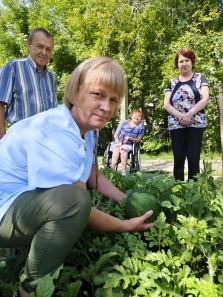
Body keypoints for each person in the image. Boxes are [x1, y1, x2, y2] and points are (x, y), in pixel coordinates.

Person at [0, 57, 155, 297]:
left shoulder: (86, 128)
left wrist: (129, 200)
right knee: (75, 200)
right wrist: (126, 226)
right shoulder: (55, 131)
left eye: (113, 100)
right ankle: (28, 290)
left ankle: (27, 248)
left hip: (18, 203)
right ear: (75, 91)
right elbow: (76, 203)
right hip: (3, 210)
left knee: (74, 197)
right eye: (98, 95)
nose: (107, 107)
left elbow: (94, 175)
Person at [0, 28, 57, 139]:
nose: (44, 53)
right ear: (29, 45)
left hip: (46, 141)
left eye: (48, 49)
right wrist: (2, 138)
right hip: (19, 139)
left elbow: (54, 113)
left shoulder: (51, 77)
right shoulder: (14, 67)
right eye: (40, 47)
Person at [164, 48, 209, 181]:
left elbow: (205, 98)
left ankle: (193, 189)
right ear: (177, 64)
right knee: (178, 158)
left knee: (193, 157)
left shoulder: (200, 78)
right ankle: (177, 188)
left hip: (196, 123)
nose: (184, 64)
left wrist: (189, 114)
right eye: (181, 61)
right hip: (176, 125)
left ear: (192, 62)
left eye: (187, 60)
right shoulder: (172, 82)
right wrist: (180, 116)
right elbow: (166, 104)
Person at [110, 110, 144, 175]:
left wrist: (130, 138)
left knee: (123, 149)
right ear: (132, 116)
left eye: (139, 116)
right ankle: (112, 170)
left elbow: (138, 139)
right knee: (116, 149)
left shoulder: (140, 126)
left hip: (129, 144)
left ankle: (124, 172)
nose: (136, 117)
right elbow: (116, 134)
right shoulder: (124, 122)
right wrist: (118, 142)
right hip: (118, 142)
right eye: (135, 115)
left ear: (141, 119)